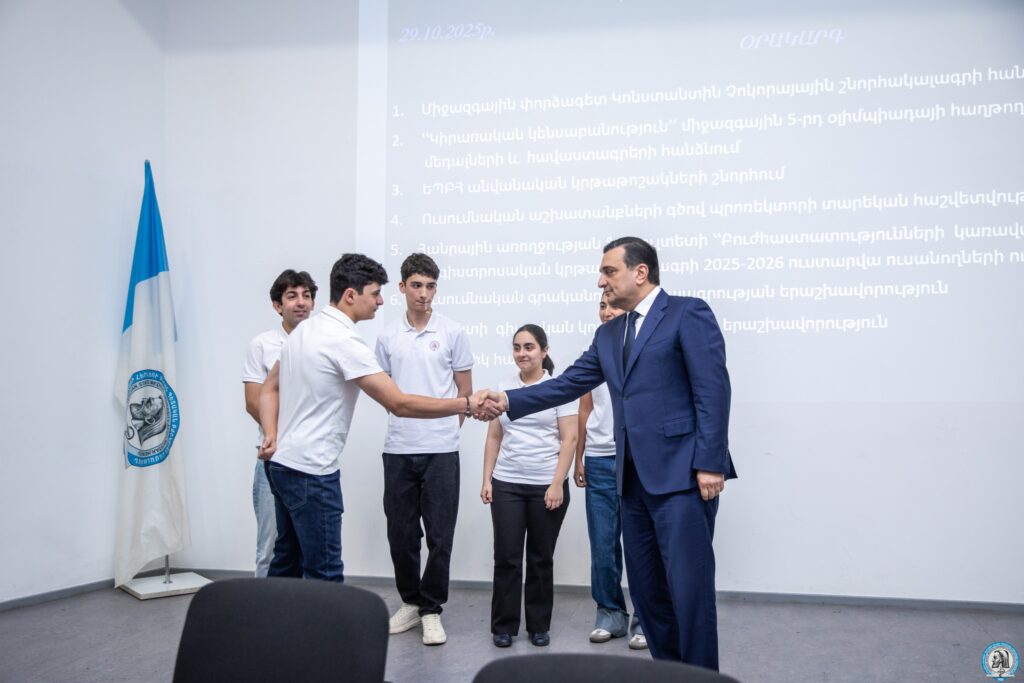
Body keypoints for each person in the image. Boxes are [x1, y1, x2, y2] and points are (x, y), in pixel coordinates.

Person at [480, 237, 736, 670]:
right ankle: (670, 674)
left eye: (609, 271)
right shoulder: (608, 333)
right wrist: (507, 400)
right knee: (649, 594)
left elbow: (712, 390)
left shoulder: (687, 313)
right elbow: (567, 384)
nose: (601, 281)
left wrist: (710, 462)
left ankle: (700, 678)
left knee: (688, 592)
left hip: (682, 478)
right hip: (630, 483)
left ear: (641, 272)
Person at [258, 253, 495, 584]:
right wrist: (466, 404)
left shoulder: (304, 330)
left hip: (282, 465)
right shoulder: (344, 341)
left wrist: (271, 433)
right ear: (350, 295)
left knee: (286, 561)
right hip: (312, 471)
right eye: (375, 294)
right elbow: (398, 403)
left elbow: (268, 389)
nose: (380, 301)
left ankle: (271, 621)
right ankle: (322, 624)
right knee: (324, 573)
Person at [375, 253, 473, 646]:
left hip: (441, 451)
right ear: (402, 287)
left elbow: (465, 395)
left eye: (431, 286)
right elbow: (387, 395)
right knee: (401, 534)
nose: (424, 293)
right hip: (398, 449)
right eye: (416, 285)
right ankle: (411, 602)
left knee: (440, 535)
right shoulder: (387, 336)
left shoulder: (453, 331)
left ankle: (431, 609)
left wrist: (444, 431)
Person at [481, 324, 578, 649]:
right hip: (507, 483)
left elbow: (570, 439)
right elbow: (494, 436)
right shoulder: (504, 388)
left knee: (540, 559)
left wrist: (557, 484)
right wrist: (487, 479)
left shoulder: (559, 388)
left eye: (529, 347)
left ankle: (538, 626)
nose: (522, 353)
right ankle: (503, 626)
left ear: (544, 351)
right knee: (506, 558)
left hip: (545, 486)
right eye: (517, 347)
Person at [574, 292, 646, 650]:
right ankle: (610, 614)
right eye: (602, 306)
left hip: (636, 459)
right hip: (600, 461)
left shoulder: (643, 349)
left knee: (641, 546)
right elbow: (584, 409)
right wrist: (579, 458)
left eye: (613, 305)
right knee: (603, 544)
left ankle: (645, 621)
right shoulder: (597, 352)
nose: (606, 311)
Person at [241, 269, 317, 577]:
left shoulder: (323, 343)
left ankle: (301, 607)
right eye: (292, 296)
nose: (301, 302)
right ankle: (265, 608)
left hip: (312, 460)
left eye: (306, 296)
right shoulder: (263, 345)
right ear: (277, 305)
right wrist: (283, 434)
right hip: (273, 459)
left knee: (310, 547)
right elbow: (253, 402)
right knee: (271, 547)